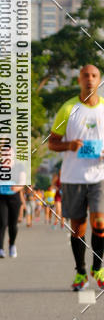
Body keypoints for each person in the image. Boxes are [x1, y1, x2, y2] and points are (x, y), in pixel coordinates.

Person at [48, 64, 104, 290]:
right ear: (79, 80)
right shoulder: (67, 109)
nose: (89, 79)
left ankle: (98, 268)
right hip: (73, 177)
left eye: (94, 76)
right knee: (78, 227)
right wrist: (68, 145)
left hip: (99, 176)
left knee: (100, 223)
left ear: (99, 80)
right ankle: (81, 271)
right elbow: (52, 142)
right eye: (85, 76)